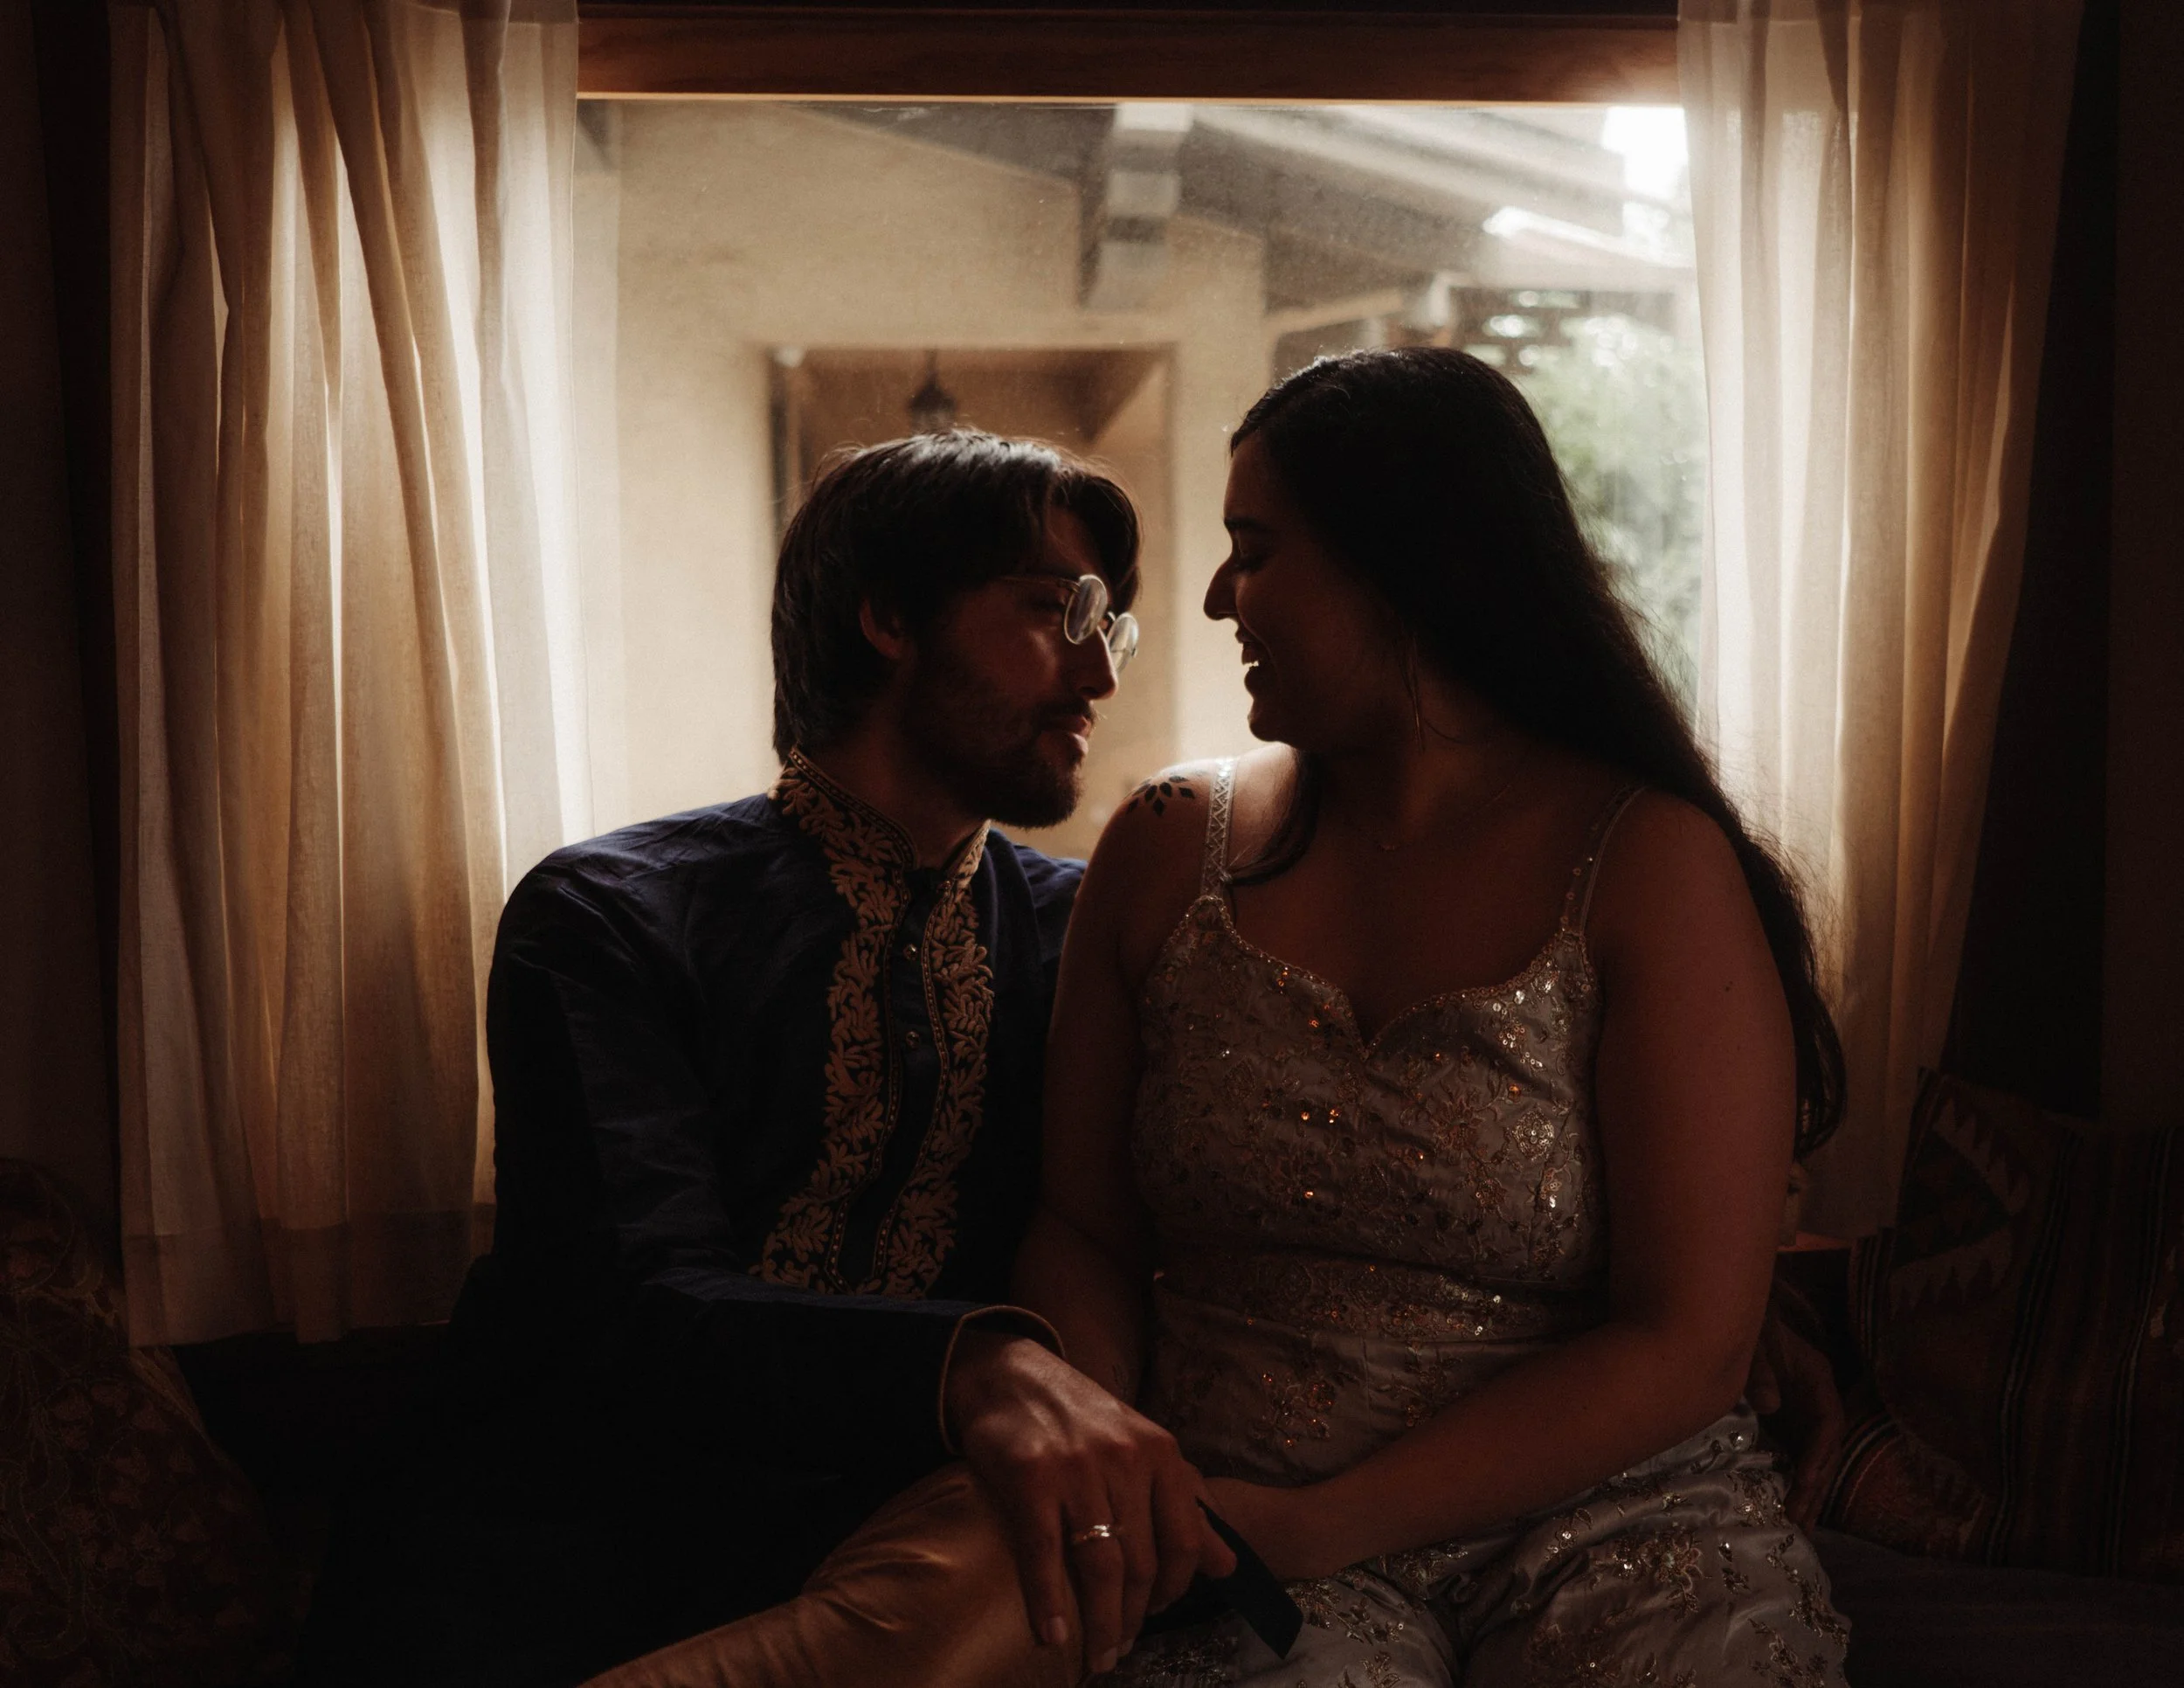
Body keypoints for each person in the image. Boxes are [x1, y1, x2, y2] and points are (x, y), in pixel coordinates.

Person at [297, 431, 1234, 1688]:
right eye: (1052, 610)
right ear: (890, 618)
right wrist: (981, 1364)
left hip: (918, 1544)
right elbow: (635, 1301)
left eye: (1105, 626)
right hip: (570, 1545)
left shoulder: (1080, 934)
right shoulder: (611, 914)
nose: (1095, 673)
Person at [1013, 347, 1854, 1685]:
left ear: (1410, 568)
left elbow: (1690, 1337)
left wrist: (1324, 1525)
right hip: (1230, 1512)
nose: (1223, 595)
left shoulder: (1646, 862)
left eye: (1257, 549)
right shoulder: (1167, 845)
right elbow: (1080, 1227)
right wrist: (1121, 1457)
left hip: (1614, 1521)